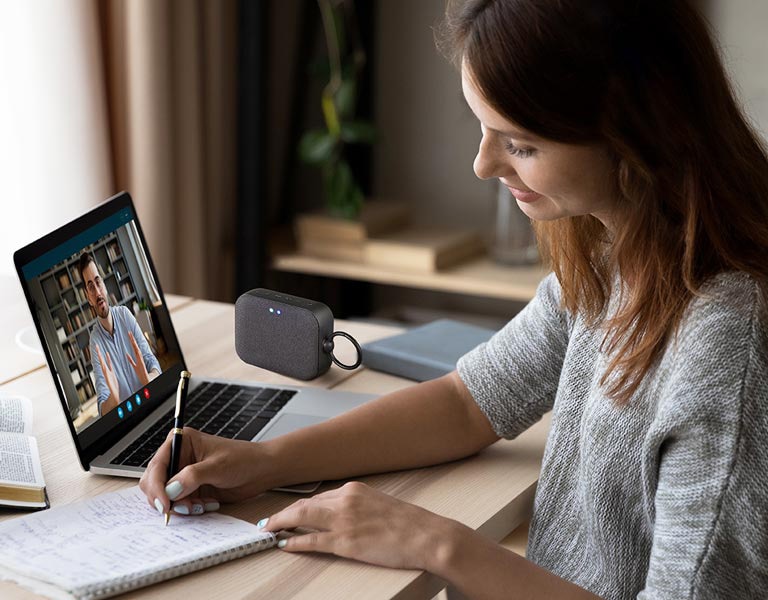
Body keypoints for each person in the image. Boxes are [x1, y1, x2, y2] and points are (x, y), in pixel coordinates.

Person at [141, 0, 768, 597]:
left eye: (520, 144)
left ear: (636, 135)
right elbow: (469, 402)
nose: (482, 163)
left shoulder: (725, 346)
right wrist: (264, 462)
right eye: (484, 128)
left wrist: (437, 544)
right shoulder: (617, 253)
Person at [79, 252, 162, 416]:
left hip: (152, 404)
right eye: (90, 287)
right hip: (128, 418)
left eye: (98, 282)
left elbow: (152, 362)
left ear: (104, 284)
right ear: (88, 297)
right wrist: (114, 399)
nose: (97, 292)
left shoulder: (125, 315)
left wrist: (147, 379)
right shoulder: (95, 342)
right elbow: (103, 407)